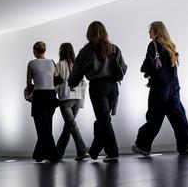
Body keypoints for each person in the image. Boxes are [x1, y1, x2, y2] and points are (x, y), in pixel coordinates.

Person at [132, 21, 188, 157]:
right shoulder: (170, 47)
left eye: (150, 30)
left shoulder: (153, 45)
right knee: (178, 117)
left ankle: (143, 146)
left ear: (156, 31)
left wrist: (146, 70)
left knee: (154, 118)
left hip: (159, 89)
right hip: (174, 89)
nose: (149, 33)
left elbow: (147, 65)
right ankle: (187, 145)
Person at [68, 21, 127, 163]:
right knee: (103, 120)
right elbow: (123, 69)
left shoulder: (86, 51)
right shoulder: (114, 48)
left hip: (98, 87)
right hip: (113, 87)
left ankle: (112, 153)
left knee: (104, 120)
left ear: (89, 33)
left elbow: (77, 71)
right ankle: (94, 151)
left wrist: (72, 83)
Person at [26, 41, 63, 163]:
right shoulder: (51, 62)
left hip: (39, 96)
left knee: (42, 127)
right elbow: (57, 79)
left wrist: (29, 93)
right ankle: (39, 155)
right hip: (51, 96)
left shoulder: (31, 64)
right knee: (47, 125)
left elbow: (28, 85)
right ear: (44, 51)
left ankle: (54, 155)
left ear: (35, 51)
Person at [55, 42, 88, 161]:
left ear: (61, 51)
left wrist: (55, 95)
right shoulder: (77, 65)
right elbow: (84, 84)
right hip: (77, 99)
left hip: (65, 99)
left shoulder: (59, 65)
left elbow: (57, 84)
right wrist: (82, 101)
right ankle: (58, 153)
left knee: (71, 125)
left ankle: (82, 150)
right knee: (68, 127)